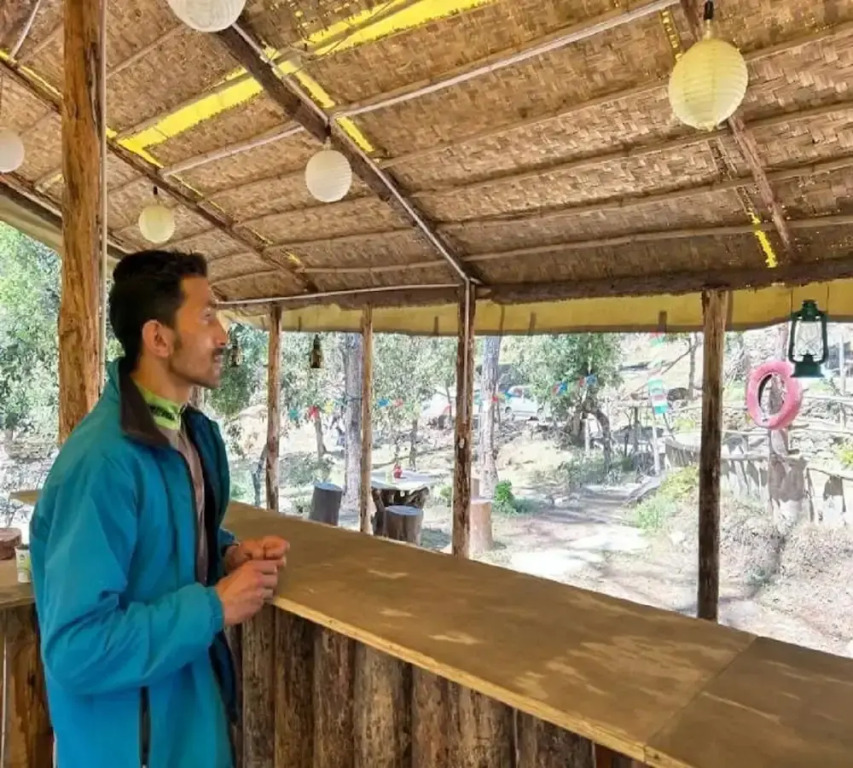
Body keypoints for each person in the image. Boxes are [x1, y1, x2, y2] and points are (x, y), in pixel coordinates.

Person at [29, 250, 288, 768]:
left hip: (186, 721)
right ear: (159, 338)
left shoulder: (190, 435)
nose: (223, 335)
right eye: (207, 316)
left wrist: (224, 554)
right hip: (130, 746)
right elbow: (78, 646)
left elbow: (157, 544)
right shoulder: (103, 463)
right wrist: (215, 607)